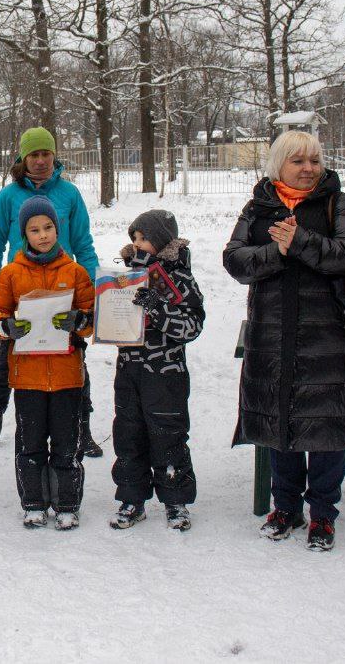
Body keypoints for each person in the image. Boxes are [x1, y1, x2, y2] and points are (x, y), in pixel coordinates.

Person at [223, 131, 345, 552]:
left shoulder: (335, 202)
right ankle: (285, 506)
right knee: (277, 419)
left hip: (327, 336)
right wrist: (277, 252)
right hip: (271, 333)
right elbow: (234, 260)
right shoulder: (259, 207)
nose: (308, 169)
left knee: (325, 425)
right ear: (278, 166)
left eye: (314, 161)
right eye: (298, 161)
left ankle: (323, 512)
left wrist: (299, 241)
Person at [0, 129, 100, 456]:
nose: (42, 160)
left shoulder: (70, 195)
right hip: (21, 292)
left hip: (63, 291)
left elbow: (84, 246)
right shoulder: (7, 197)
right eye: (35, 154)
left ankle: (82, 429)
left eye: (47, 153)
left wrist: (91, 291)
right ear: (23, 158)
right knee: (6, 362)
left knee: (74, 362)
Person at [0, 197, 95, 530]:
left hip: (67, 376)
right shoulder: (11, 273)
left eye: (48, 227)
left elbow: (93, 320)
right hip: (28, 376)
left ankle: (67, 503)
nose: (43, 235)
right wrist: (5, 327)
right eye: (34, 230)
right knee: (30, 444)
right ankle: (33, 502)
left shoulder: (75, 272)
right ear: (24, 234)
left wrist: (79, 321)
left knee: (66, 443)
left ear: (57, 229)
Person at [109, 210, 205, 531]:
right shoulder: (125, 277)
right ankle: (132, 498)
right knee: (128, 434)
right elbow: (112, 317)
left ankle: (175, 500)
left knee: (168, 435)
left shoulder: (180, 278)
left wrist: (159, 308)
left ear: (162, 240)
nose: (137, 244)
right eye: (134, 238)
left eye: (144, 238)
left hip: (166, 374)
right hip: (129, 371)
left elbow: (191, 325)